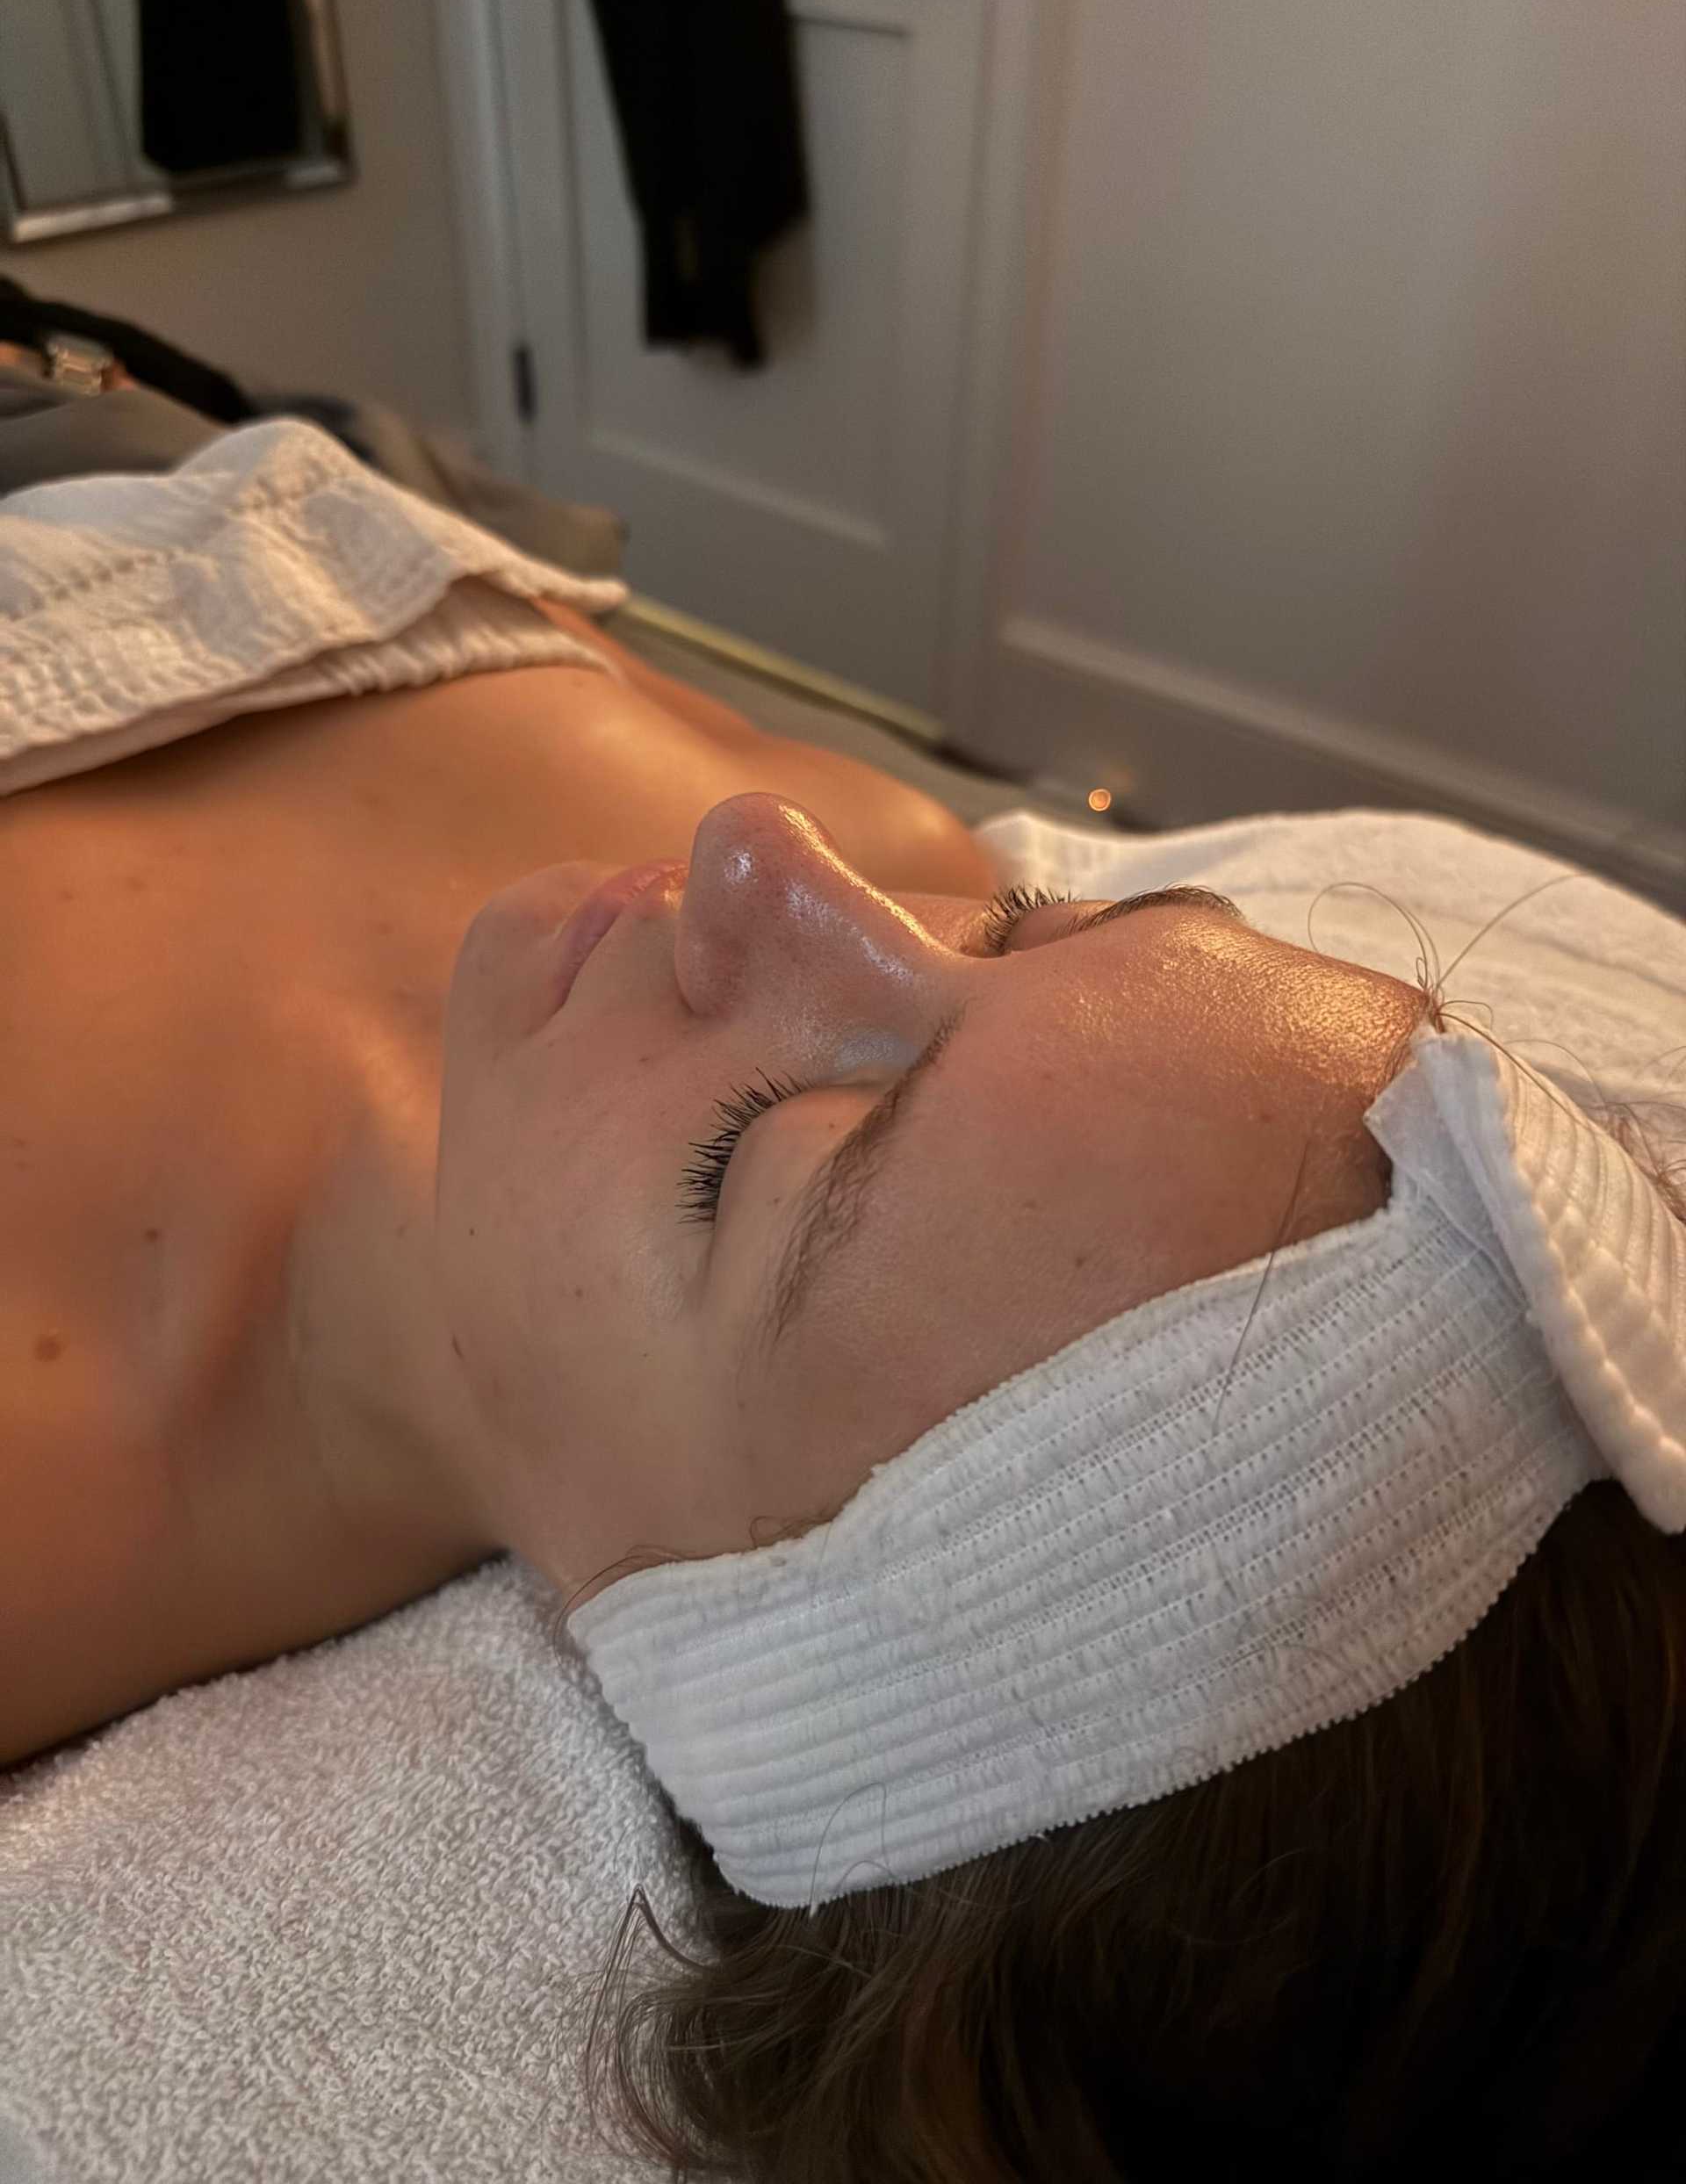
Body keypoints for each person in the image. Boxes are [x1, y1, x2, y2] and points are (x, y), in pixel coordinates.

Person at [3, 414, 1684, 2180]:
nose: (769, 849)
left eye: (773, 1149)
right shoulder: (884, 833)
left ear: (693, 1638)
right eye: (1019, 933)